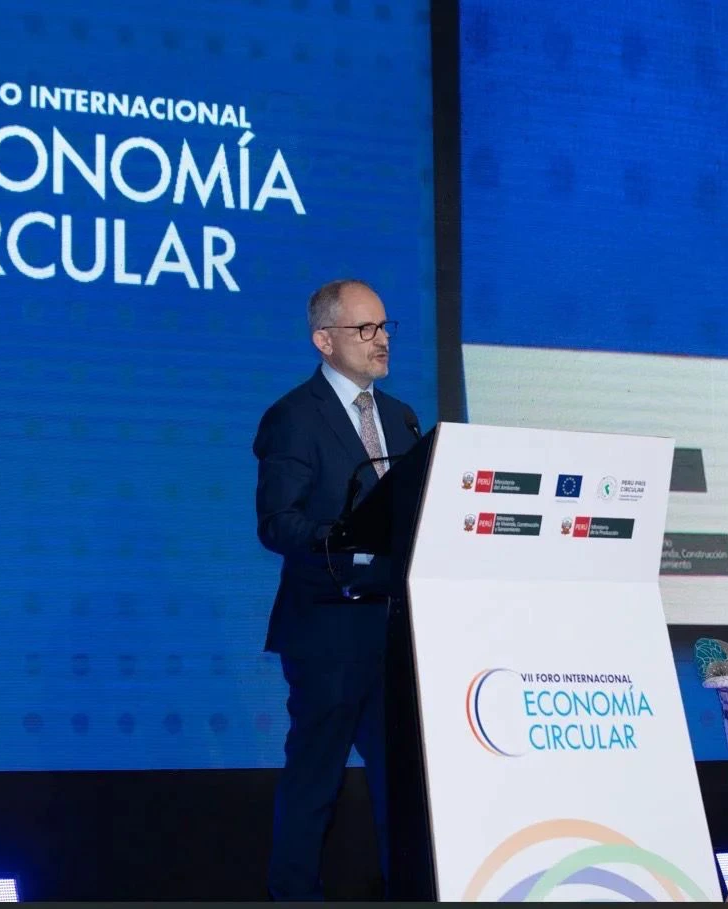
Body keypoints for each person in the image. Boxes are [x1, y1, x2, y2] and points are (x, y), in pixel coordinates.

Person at [253, 278, 420, 899]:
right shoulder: (294, 417)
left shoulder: (401, 418)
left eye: (384, 327)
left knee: (403, 786)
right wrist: (350, 539)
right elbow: (278, 523)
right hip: (327, 631)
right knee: (315, 781)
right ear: (324, 340)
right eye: (364, 329)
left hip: (394, 633)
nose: (381, 341)